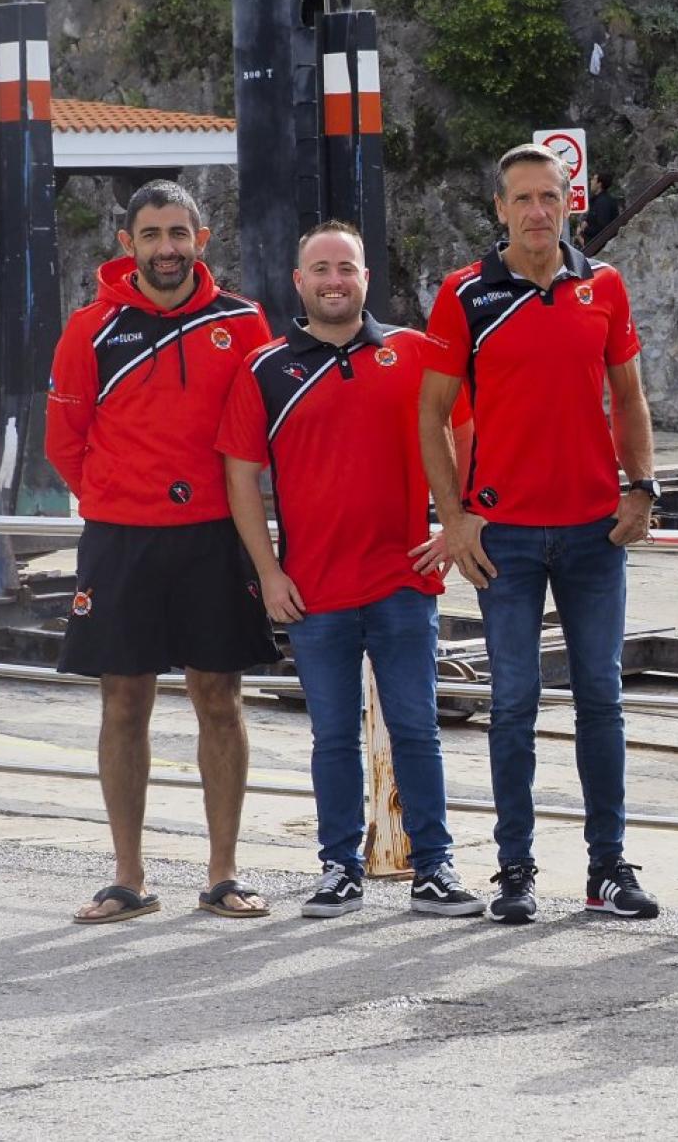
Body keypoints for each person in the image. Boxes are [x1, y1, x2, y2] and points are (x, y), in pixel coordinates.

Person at [419, 143, 661, 925]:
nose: (536, 211)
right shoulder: (465, 294)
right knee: (515, 703)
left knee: (602, 700)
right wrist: (454, 517)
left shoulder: (604, 286)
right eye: (521, 198)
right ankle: (515, 870)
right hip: (507, 539)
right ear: (500, 208)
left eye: (548, 196)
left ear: (568, 202)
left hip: (595, 531)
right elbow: (430, 414)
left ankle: (607, 868)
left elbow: (629, 396)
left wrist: (642, 488)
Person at [220, 221, 481, 920]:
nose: (334, 280)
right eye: (321, 269)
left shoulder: (415, 352)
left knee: (417, 730)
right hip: (314, 590)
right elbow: (240, 477)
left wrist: (455, 524)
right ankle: (339, 868)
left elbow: (466, 429)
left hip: (403, 580)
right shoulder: (265, 368)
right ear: (299, 281)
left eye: (347, 268)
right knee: (332, 738)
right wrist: (269, 573)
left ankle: (434, 867)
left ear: (366, 278)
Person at [45, 180, 278, 924]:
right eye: (151, 235)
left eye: (179, 233)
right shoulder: (89, 328)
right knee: (123, 704)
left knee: (220, 701)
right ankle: (127, 878)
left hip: (214, 536)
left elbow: (258, 438)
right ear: (128, 244)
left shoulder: (242, 322)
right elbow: (64, 443)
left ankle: (223, 874)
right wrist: (120, 496)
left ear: (201, 240)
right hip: (121, 541)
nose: (166, 248)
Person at [582, 169, 622, 246]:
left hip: (601, 248)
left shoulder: (603, 202)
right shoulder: (597, 200)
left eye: (593, 179)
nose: (591, 182)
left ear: (599, 184)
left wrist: (585, 229)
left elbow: (602, 229)